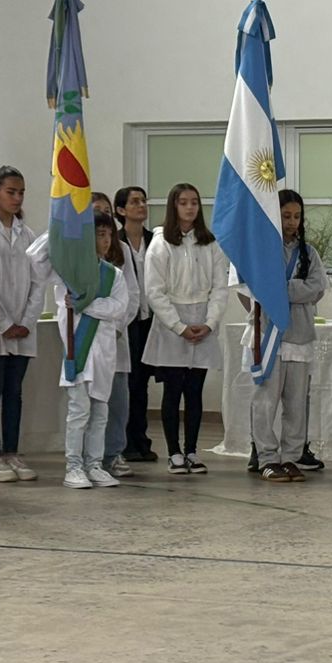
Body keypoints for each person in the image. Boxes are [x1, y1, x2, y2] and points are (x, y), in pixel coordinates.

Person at [29, 215, 131, 489]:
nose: (106, 240)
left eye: (108, 234)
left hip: (104, 354)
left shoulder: (113, 274)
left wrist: (85, 304)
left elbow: (118, 307)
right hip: (79, 351)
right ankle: (73, 466)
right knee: (79, 411)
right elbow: (34, 260)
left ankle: (94, 464)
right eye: (99, 234)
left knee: (100, 412)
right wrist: (59, 227)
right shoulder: (68, 271)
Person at [142, 183, 230, 474]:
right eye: (183, 202)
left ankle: (192, 450)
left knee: (194, 391)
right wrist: (178, 326)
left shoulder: (210, 243)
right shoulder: (161, 243)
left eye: (194, 202)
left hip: (202, 320)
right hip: (172, 324)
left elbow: (220, 287)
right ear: (174, 206)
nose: (190, 207)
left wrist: (210, 322)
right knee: (173, 390)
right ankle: (174, 452)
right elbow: (154, 291)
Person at [248, 190, 329, 483]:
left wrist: (281, 289)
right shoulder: (261, 249)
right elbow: (252, 289)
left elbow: (317, 287)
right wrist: (292, 289)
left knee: (296, 404)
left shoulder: (309, 253)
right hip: (268, 335)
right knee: (266, 401)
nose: (292, 222)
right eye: (286, 216)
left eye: (297, 216)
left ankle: (291, 457)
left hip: (299, 335)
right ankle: (267, 457)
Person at [0, 165, 43, 483]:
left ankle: (12, 451)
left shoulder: (28, 234)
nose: (16, 198)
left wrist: (26, 321)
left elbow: (38, 282)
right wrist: (4, 322)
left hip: (22, 327)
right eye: (11, 192)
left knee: (14, 392)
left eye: (21, 192)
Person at [93, 194, 139, 479]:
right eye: (96, 212)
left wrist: (118, 325)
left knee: (118, 401)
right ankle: (89, 456)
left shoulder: (120, 248)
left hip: (116, 334)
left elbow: (132, 293)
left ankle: (113, 453)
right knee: (88, 401)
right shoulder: (76, 251)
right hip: (88, 336)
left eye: (106, 211)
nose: (103, 216)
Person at [114, 186, 158, 463]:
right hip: (127, 320)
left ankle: (142, 439)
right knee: (128, 382)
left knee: (143, 383)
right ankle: (125, 441)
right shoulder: (115, 242)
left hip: (151, 319)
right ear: (121, 210)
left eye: (143, 200)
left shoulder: (155, 241)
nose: (141, 205)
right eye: (134, 202)